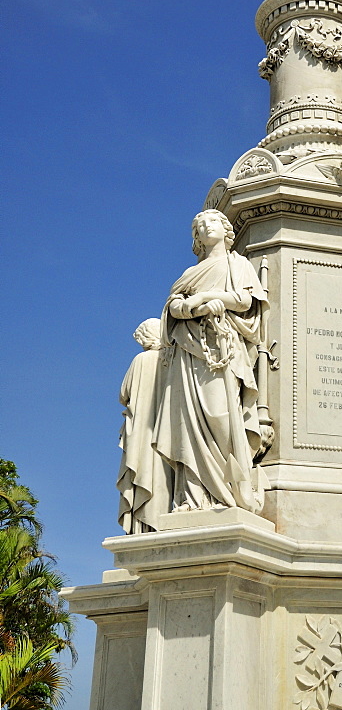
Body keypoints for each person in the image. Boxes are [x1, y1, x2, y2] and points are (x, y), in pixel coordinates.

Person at [153, 210, 269, 513]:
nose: (205, 227)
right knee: (188, 424)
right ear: (196, 238)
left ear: (226, 229)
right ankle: (194, 497)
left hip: (222, 350)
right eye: (199, 225)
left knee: (221, 417)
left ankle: (229, 490)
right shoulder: (189, 274)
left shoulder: (238, 264)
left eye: (212, 222)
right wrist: (190, 307)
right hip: (190, 353)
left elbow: (245, 301)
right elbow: (174, 306)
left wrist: (209, 298)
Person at [117, 319, 173, 533]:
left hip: (139, 428)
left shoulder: (140, 360)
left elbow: (124, 395)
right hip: (163, 429)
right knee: (162, 474)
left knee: (140, 469)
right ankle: (159, 522)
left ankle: (140, 527)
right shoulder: (170, 360)